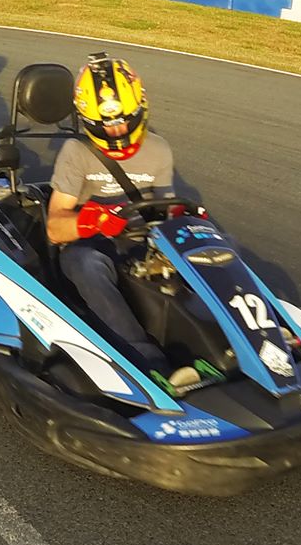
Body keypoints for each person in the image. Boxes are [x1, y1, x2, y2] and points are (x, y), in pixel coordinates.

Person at [45, 54, 201, 394]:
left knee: (211, 250)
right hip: (90, 243)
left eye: (122, 122)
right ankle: (148, 362)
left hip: (141, 240)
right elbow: (55, 227)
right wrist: (95, 221)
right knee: (85, 262)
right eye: (106, 125)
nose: (116, 131)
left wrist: (186, 223)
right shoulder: (77, 152)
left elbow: (167, 211)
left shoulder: (158, 149)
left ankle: (231, 342)